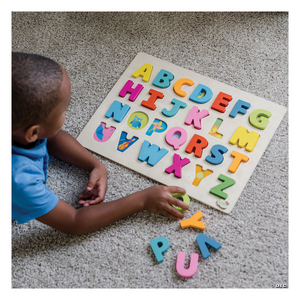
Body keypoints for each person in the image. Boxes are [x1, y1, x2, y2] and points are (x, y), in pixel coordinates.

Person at [12, 52, 189, 235]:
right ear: (32, 133)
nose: (66, 114)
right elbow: (74, 222)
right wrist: (142, 200)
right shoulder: (19, 180)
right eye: (63, 111)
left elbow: (52, 137)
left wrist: (95, 165)